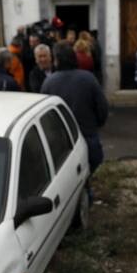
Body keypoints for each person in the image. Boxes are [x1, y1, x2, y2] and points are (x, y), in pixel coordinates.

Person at [42, 42, 108, 174]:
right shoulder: (88, 78)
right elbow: (102, 108)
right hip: (88, 135)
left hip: (60, 141)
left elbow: (44, 115)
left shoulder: (49, 83)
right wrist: (96, 124)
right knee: (90, 169)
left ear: (57, 60)